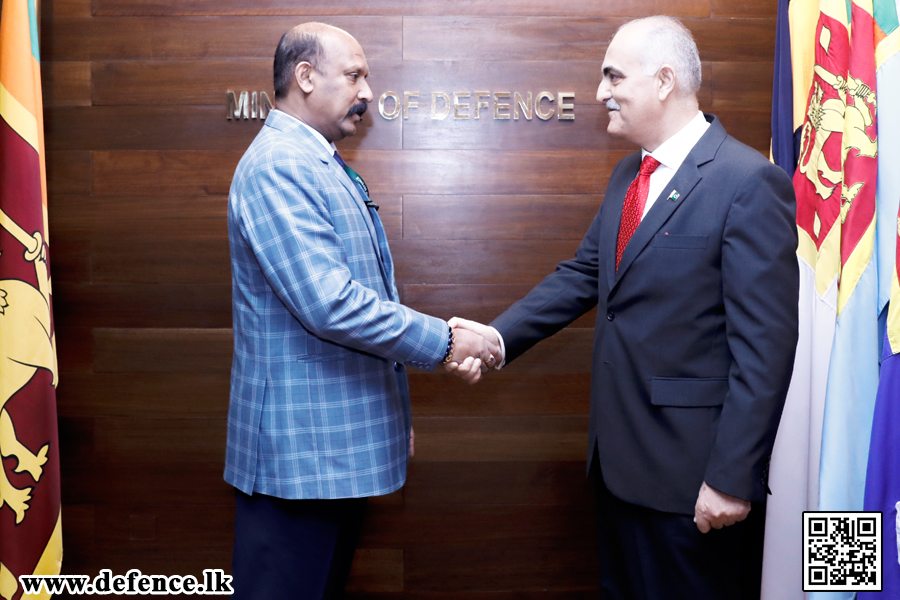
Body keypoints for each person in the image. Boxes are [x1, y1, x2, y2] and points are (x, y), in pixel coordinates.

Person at [451, 16, 799, 599]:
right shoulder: (629, 175)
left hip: (694, 486)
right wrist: (497, 337)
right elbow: (586, 274)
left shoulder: (748, 182)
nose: (599, 93)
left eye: (613, 76)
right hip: (618, 471)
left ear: (664, 80)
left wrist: (731, 481)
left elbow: (766, 349)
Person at [225, 22, 497, 600]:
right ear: (304, 77)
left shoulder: (317, 160)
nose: (368, 91)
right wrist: (446, 342)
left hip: (330, 454)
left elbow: (359, 298)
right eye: (354, 75)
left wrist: (392, 416)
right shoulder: (280, 163)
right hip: (298, 462)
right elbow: (331, 304)